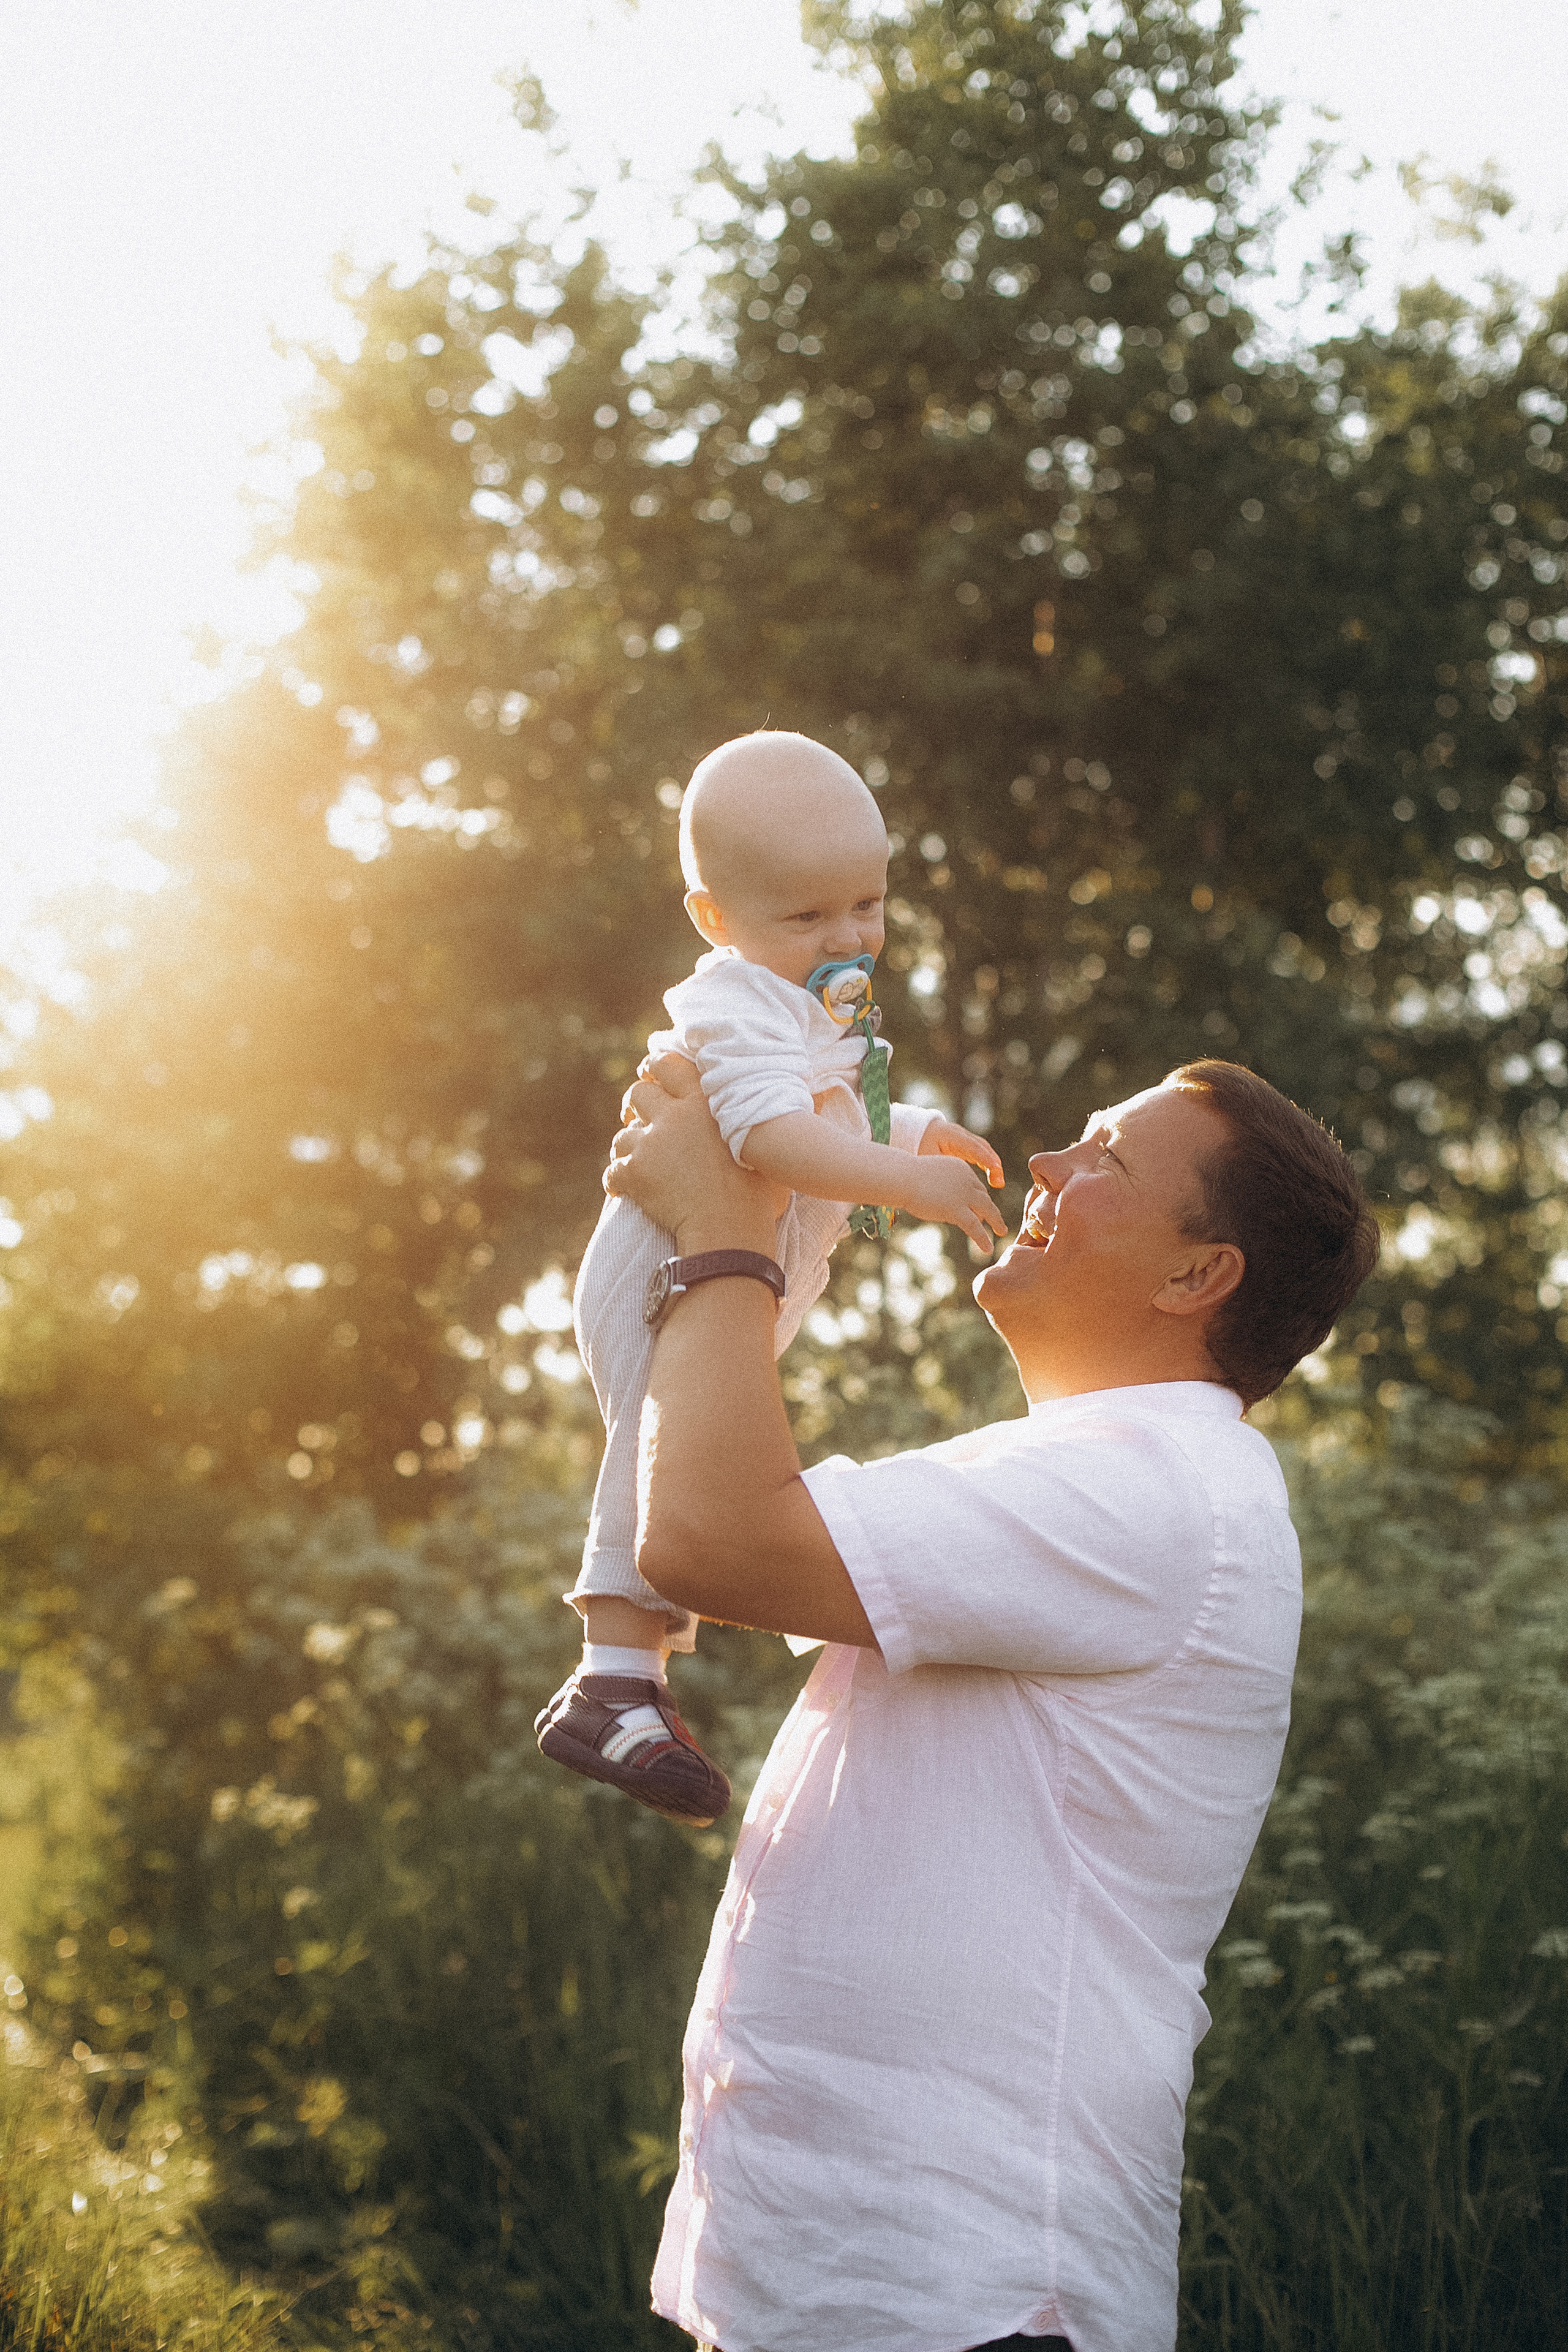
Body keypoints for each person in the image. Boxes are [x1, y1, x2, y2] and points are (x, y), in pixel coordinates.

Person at [604, 1051, 1378, 2352]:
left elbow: (707, 1535)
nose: (1045, 1165)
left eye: (1103, 1156)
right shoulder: (1086, 1470)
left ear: (1195, 1275)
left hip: (975, 2295)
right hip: (849, 2279)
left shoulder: (1157, 1489)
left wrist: (725, 1227)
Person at [536, 731, 1006, 1823]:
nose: (846, 937)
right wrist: (907, 1180)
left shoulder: (812, 1000)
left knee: (671, 1453)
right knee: (653, 1451)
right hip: (664, 1264)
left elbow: (830, 1104)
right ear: (716, 919)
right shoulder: (741, 1002)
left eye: (867, 905)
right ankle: (612, 1680)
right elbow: (767, 1136)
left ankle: (633, 1681)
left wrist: (914, 1131)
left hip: (735, 1262)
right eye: (806, 916)